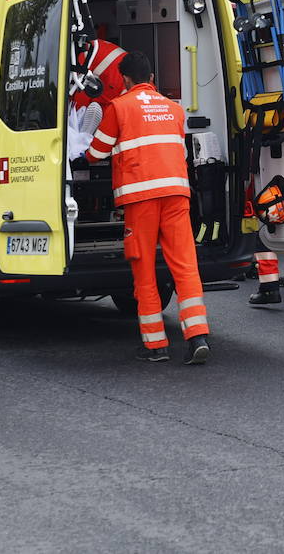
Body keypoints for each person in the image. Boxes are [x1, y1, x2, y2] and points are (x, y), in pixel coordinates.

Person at [85, 51, 211, 364]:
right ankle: (197, 336)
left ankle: (155, 345)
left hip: (140, 200)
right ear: (152, 78)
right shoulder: (174, 109)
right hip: (176, 195)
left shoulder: (119, 107)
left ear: (125, 80)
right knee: (184, 265)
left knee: (143, 270)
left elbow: (95, 153)